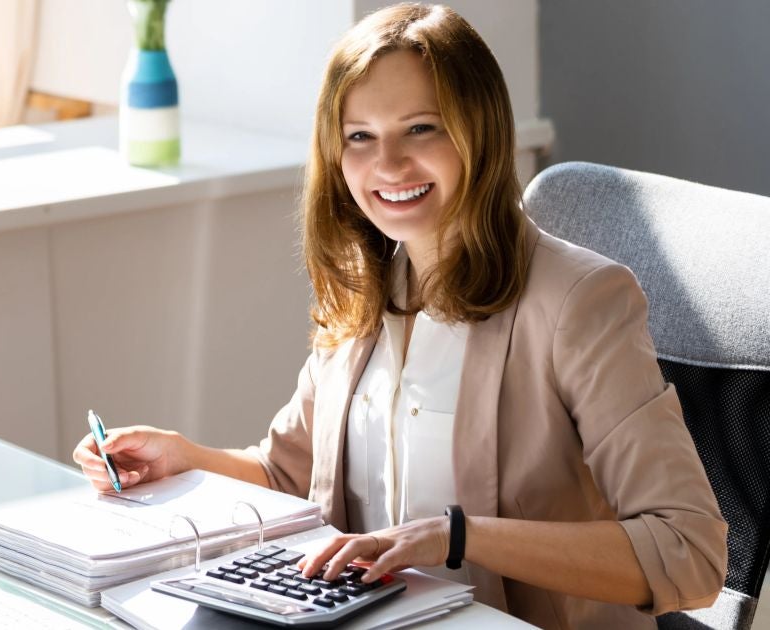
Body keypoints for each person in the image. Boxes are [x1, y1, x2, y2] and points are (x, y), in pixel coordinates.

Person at [72, 3, 727, 627]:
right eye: (359, 137)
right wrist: (184, 458)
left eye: (421, 128)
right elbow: (289, 476)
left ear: (480, 131)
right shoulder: (364, 288)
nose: (387, 164)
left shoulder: (578, 302)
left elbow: (690, 554)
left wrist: (454, 538)